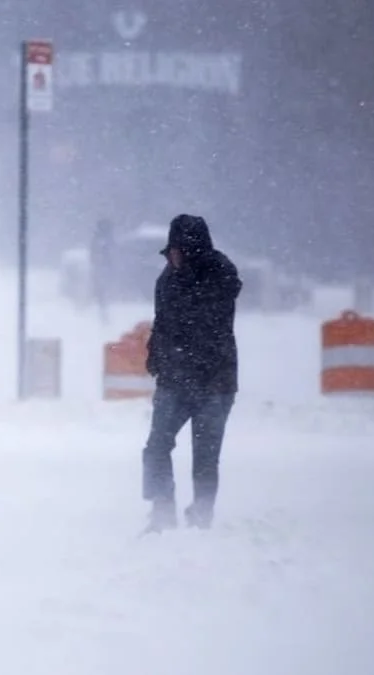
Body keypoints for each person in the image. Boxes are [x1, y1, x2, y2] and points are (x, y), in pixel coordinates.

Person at [142, 214, 241, 533]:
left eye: (176, 249)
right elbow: (163, 324)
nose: (171, 256)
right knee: (157, 446)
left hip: (214, 383)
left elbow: (205, 324)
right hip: (174, 380)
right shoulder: (168, 279)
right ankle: (162, 511)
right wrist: (155, 356)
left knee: (205, 456)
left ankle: (201, 516)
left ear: (191, 249)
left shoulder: (220, 276)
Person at [90, 217, 115, 322]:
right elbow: (98, 253)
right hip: (102, 268)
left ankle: (102, 308)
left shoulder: (99, 238)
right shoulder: (102, 239)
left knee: (102, 290)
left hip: (101, 267)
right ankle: (102, 311)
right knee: (102, 290)